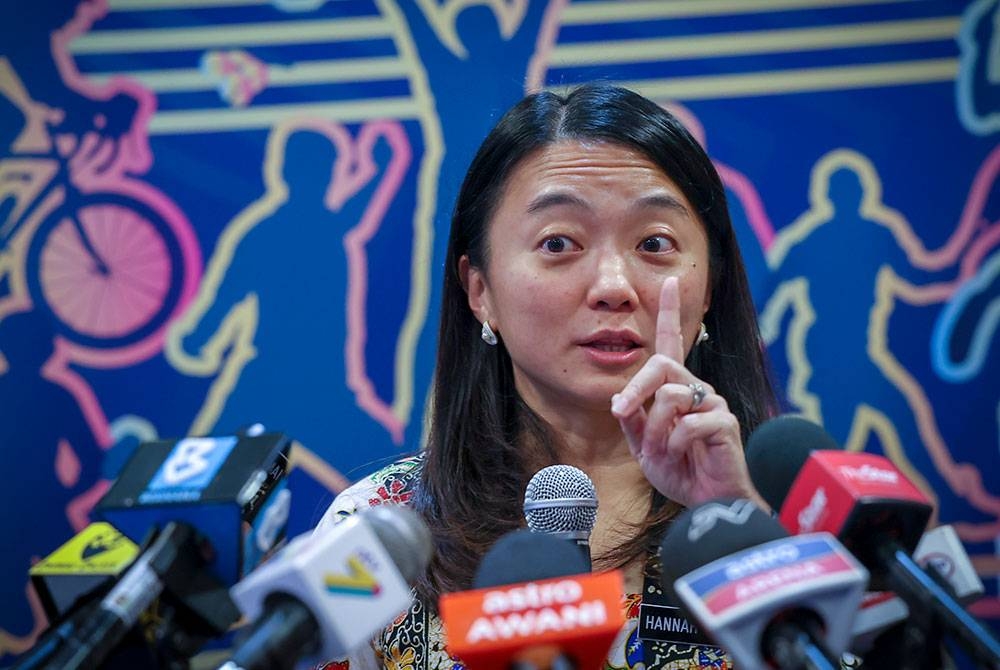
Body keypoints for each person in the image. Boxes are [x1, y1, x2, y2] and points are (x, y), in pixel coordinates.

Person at [314, 83, 777, 670]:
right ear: (479, 290)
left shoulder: (791, 519)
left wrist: (743, 531)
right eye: (558, 243)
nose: (613, 286)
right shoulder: (376, 535)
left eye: (654, 243)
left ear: (708, 288)